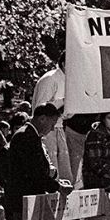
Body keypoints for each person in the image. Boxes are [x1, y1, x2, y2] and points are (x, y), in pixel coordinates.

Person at [32, 51, 73, 182]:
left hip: (59, 128)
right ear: (65, 63)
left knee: (65, 171)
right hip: (45, 131)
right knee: (51, 169)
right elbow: (40, 109)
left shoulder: (68, 80)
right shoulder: (50, 78)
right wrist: (62, 102)